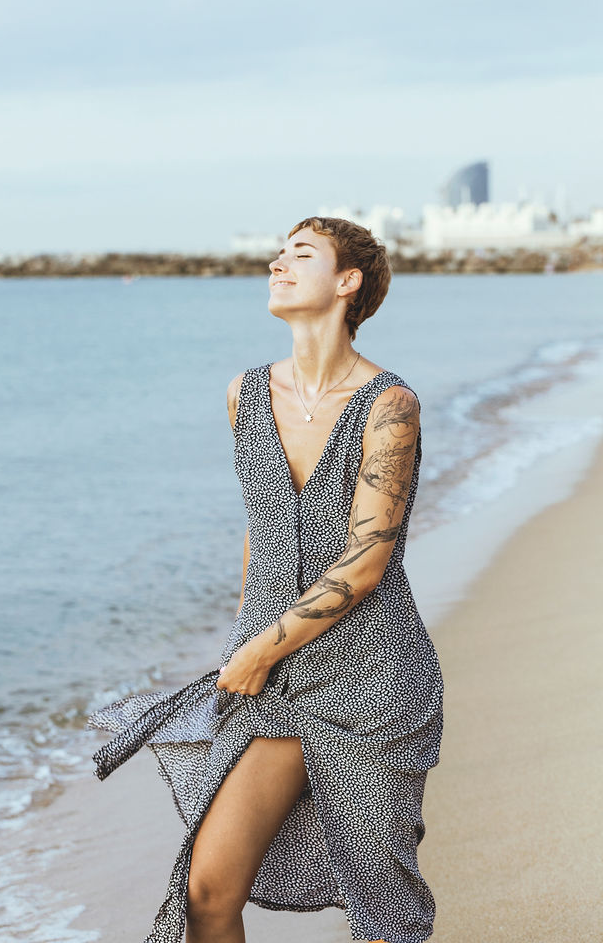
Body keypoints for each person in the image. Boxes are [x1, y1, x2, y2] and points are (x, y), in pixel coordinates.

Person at [87, 215, 445, 943]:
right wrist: (244, 637)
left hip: (370, 677)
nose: (278, 264)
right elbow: (263, 527)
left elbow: (365, 560)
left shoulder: (390, 405)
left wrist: (258, 649)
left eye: (301, 254)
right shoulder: (245, 394)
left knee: (382, 906)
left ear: (347, 282)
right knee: (207, 890)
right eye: (278, 254)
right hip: (272, 676)